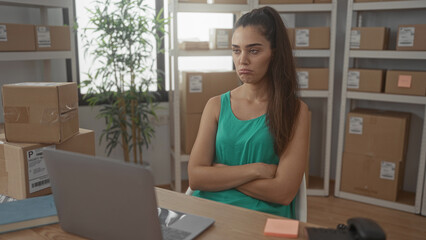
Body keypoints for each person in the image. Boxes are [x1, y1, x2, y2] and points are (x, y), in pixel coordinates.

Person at [187, 6, 310, 219]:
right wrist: (256, 170)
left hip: (261, 217)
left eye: (253, 50)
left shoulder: (297, 112)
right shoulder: (215, 105)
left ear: (275, 54)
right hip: (206, 211)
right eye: (236, 50)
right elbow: (196, 178)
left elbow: (283, 193)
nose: (242, 60)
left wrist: (220, 173)